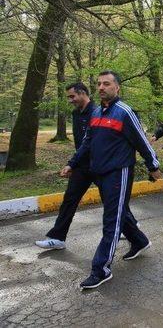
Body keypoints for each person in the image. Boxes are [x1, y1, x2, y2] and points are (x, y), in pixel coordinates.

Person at [63, 71, 160, 289]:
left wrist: (153, 166)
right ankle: (140, 241)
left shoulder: (124, 112)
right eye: (98, 84)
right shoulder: (96, 112)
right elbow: (87, 143)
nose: (101, 87)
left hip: (119, 172)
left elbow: (142, 141)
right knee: (118, 212)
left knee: (111, 220)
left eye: (106, 84)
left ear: (117, 88)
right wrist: (72, 163)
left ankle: (101, 269)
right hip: (100, 172)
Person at [35, 83, 96, 250]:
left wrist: (71, 163)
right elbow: (80, 143)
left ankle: (130, 228)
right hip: (82, 166)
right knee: (69, 199)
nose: (70, 100)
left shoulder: (96, 112)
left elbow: (89, 143)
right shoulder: (76, 113)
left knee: (112, 200)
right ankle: (57, 237)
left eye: (72, 96)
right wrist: (74, 165)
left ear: (82, 93)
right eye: (69, 97)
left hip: (98, 165)